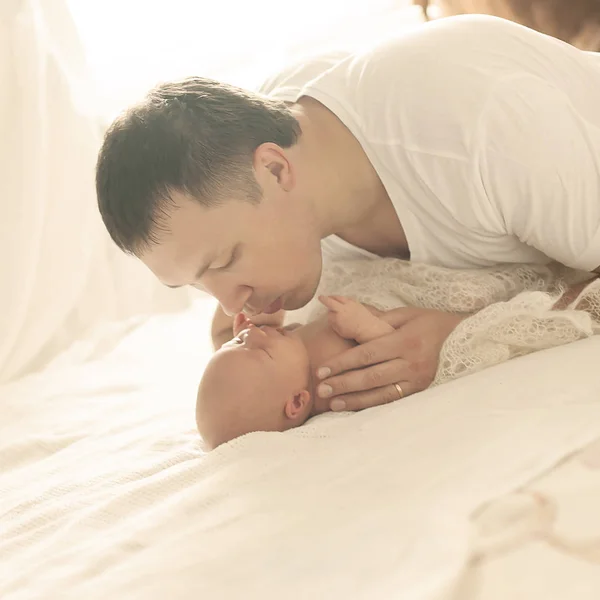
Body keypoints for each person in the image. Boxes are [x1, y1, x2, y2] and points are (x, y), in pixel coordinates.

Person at [95, 15, 600, 416]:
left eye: (225, 260)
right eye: (196, 282)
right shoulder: (284, 138)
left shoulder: (483, 132)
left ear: (274, 169)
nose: (230, 307)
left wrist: (464, 332)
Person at [197, 259, 598, 449]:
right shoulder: (328, 379)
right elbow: (391, 352)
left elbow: (244, 353)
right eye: (259, 353)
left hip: (381, 281)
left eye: (241, 342)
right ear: (298, 403)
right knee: (513, 298)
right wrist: (365, 326)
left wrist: (244, 335)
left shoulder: (286, 354)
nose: (256, 338)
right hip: (413, 317)